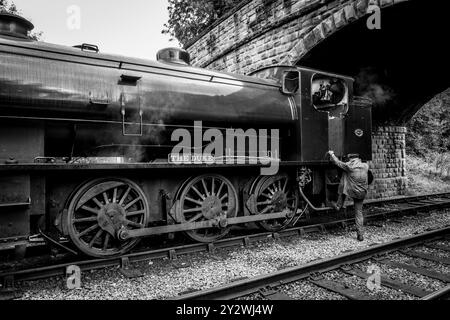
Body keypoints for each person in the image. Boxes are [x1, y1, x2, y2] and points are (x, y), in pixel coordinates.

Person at [328, 151, 369, 241]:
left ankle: (339, 205)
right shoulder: (366, 166)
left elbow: (337, 162)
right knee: (359, 213)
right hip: (362, 192)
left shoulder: (349, 166)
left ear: (351, 159)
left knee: (344, 179)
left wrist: (332, 154)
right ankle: (360, 234)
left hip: (352, 191)